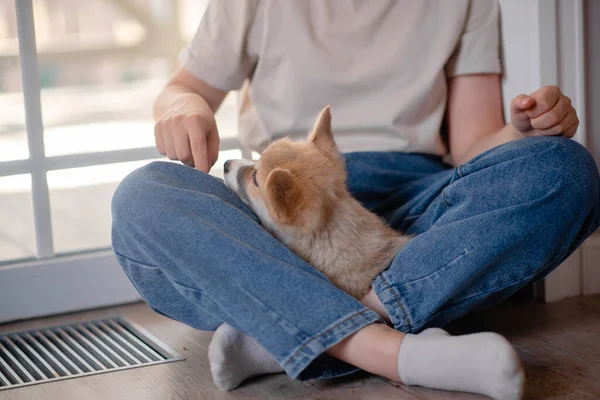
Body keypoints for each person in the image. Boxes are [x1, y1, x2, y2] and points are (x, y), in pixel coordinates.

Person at [111, 1, 599, 399]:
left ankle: (282, 329)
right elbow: (184, 88)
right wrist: (184, 108)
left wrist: (522, 131)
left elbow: (470, 146)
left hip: (408, 202)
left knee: (563, 169)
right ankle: (389, 348)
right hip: (278, 205)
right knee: (144, 196)